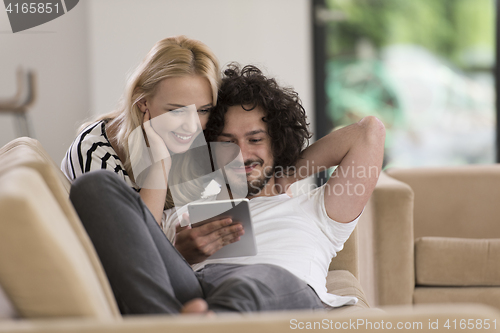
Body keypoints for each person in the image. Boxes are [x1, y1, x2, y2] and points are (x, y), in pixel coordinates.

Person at [68, 64, 385, 314]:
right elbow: (143, 261)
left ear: (279, 141)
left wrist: (286, 175)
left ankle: (201, 323)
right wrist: (179, 253)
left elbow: (368, 133)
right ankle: (178, 322)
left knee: (249, 283)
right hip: (192, 291)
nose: (242, 155)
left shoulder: (319, 209)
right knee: (94, 186)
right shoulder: (180, 206)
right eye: (228, 142)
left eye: (255, 139)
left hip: (271, 290)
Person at [61, 36, 244, 260]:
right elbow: (135, 255)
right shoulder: (95, 153)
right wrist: (160, 166)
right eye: (177, 110)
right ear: (143, 101)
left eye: (203, 110)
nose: (193, 126)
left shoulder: (192, 139)